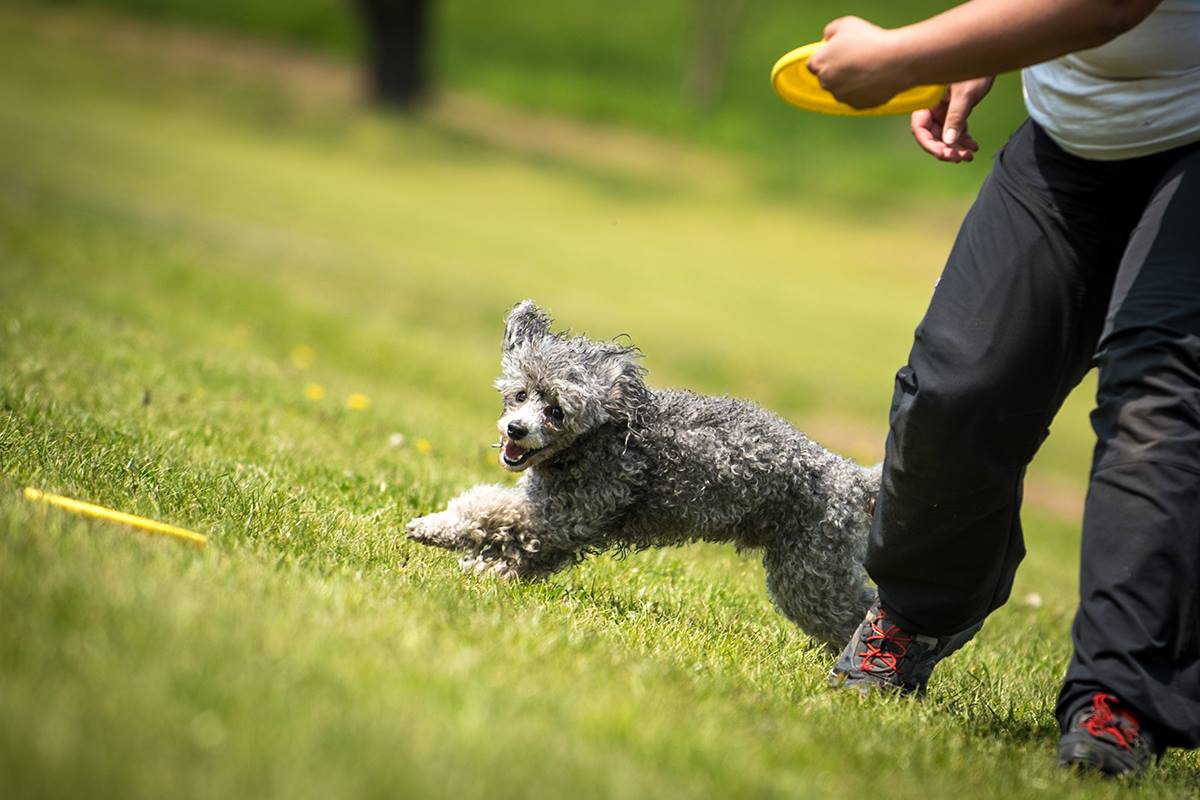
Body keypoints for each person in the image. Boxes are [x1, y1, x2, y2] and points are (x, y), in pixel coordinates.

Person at [806, 0, 1200, 778]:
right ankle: (916, 616)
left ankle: (1119, 695)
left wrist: (903, 56)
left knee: (1159, 396)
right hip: (1073, 138)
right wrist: (983, 44)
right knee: (962, 382)